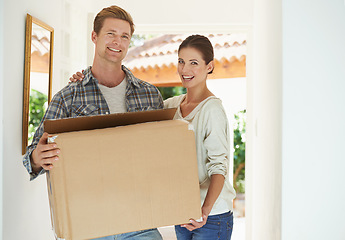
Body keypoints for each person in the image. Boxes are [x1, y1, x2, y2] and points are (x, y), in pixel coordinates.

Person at [71, 34, 236, 240]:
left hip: (211, 216)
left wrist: (204, 211)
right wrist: (88, 80)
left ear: (209, 66)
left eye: (194, 63)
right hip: (185, 210)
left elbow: (219, 167)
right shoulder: (172, 106)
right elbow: (136, 115)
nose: (185, 70)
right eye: (181, 61)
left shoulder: (212, 110)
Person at [22, 5, 164, 240]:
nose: (117, 41)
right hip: (86, 225)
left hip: (141, 223)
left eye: (124, 36)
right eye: (111, 33)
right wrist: (38, 158)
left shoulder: (149, 95)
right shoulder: (68, 96)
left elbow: (163, 153)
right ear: (94, 36)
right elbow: (32, 156)